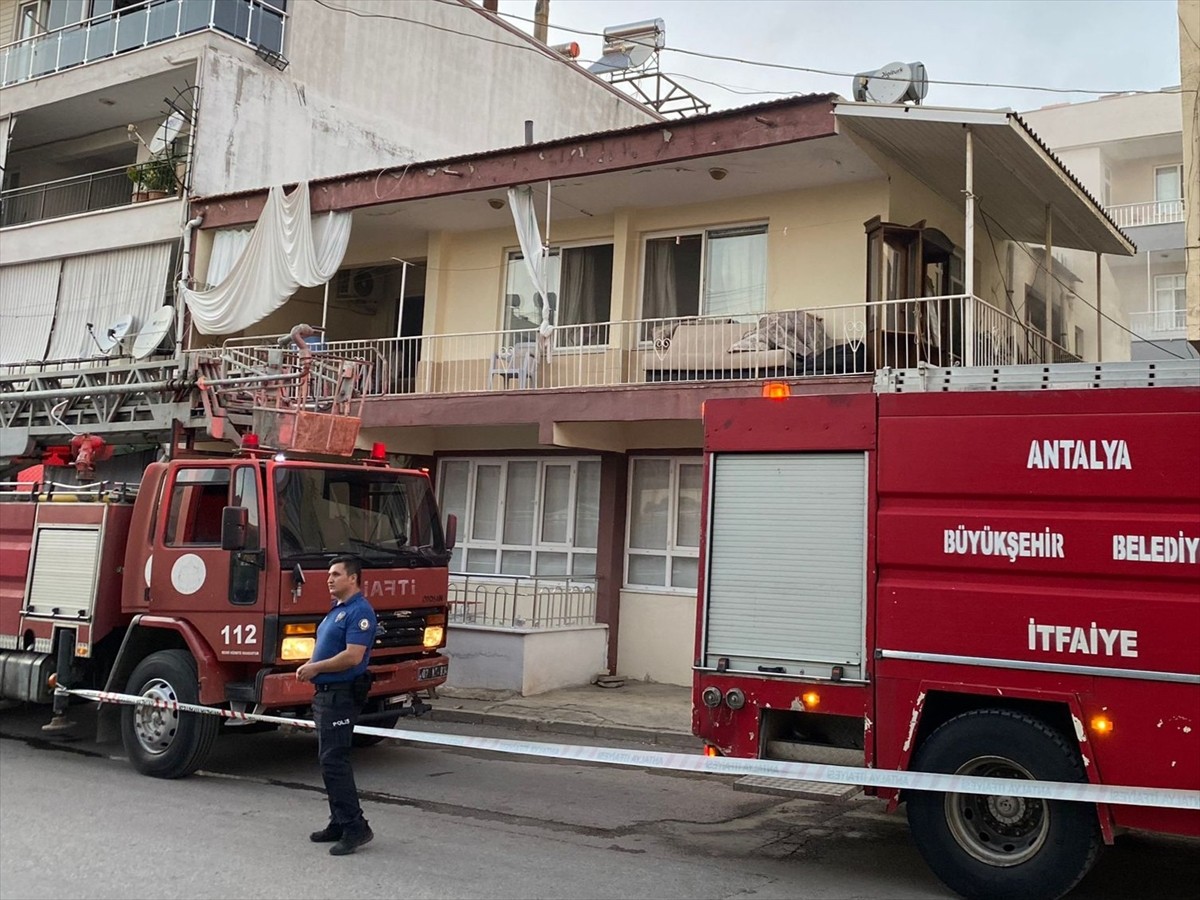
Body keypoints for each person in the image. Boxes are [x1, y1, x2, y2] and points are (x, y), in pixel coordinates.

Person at [297, 555, 378, 855]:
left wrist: (315, 668)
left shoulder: (360, 612)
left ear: (353, 578)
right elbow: (327, 647)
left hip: (341, 694)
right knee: (328, 761)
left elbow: (353, 656)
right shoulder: (337, 609)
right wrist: (311, 666)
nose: (329, 579)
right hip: (326, 694)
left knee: (335, 761)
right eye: (329, 574)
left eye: (336, 574)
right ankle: (339, 821)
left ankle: (356, 827)